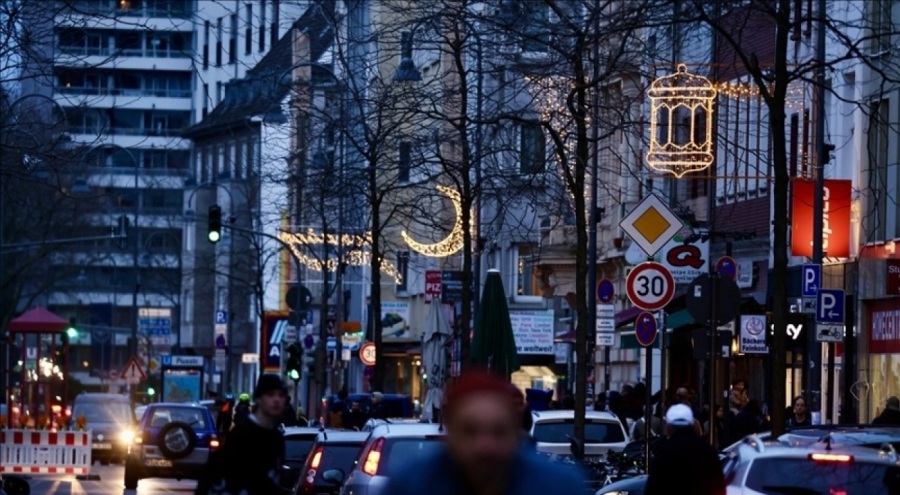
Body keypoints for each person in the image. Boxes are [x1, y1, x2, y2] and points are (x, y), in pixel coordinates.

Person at [382, 369, 584, 495]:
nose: (485, 446)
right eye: (470, 431)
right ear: (450, 432)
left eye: (499, 432)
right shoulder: (409, 486)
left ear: (516, 433)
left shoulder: (559, 487)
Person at [195, 374, 287, 495]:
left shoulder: (277, 438)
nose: (277, 400)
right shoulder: (242, 433)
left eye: (281, 395)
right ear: (259, 398)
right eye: (270, 394)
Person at [645, 404, 725, 495]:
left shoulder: (664, 452)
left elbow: (653, 487)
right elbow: (718, 483)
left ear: (668, 427)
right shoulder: (707, 450)